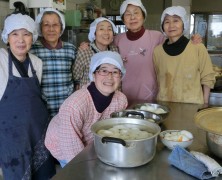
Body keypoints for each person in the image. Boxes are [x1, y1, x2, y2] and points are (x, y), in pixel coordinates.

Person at [45, 51, 128, 168]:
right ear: (93, 74)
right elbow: (72, 154)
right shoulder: (74, 106)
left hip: (90, 142)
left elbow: (117, 129)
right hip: (63, 144)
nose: (110, 77)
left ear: (121, 76)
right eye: (104, 71)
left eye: (115, 72)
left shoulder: (121, 99)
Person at [0, 13, 55, 179]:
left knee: (44, 175)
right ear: (7, 37)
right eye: (15, 34)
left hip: (38, 133)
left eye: (26, 34)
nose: (21, 40)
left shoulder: (37, 63)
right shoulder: (1, 60)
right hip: (12, 136)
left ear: (33, 37)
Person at [153, 6, 215, 104]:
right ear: (162, 27)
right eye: (167, 22)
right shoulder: (157, 52)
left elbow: (207, 77)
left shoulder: (197, 48)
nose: (171, 25)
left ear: (184, 24)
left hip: (192, 105)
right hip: (164, 105)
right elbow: (158, 78)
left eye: (176, 20)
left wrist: (205, 102)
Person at [30, 8, 77, 119]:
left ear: (61, 28)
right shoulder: (32, 50)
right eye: (46, 25)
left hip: (67, 109)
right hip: (42, 110)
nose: (51, 29)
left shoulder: (71, 49)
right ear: (40, 28)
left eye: (55, 25)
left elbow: (77, 78)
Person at [73, 17, 118, 90]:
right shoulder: (84, 52)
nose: (106, 32)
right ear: (94, 33)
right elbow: (76, 77)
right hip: (88, 96)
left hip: (110, 95)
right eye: (101, 29)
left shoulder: (115, 51)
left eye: (109, 29)